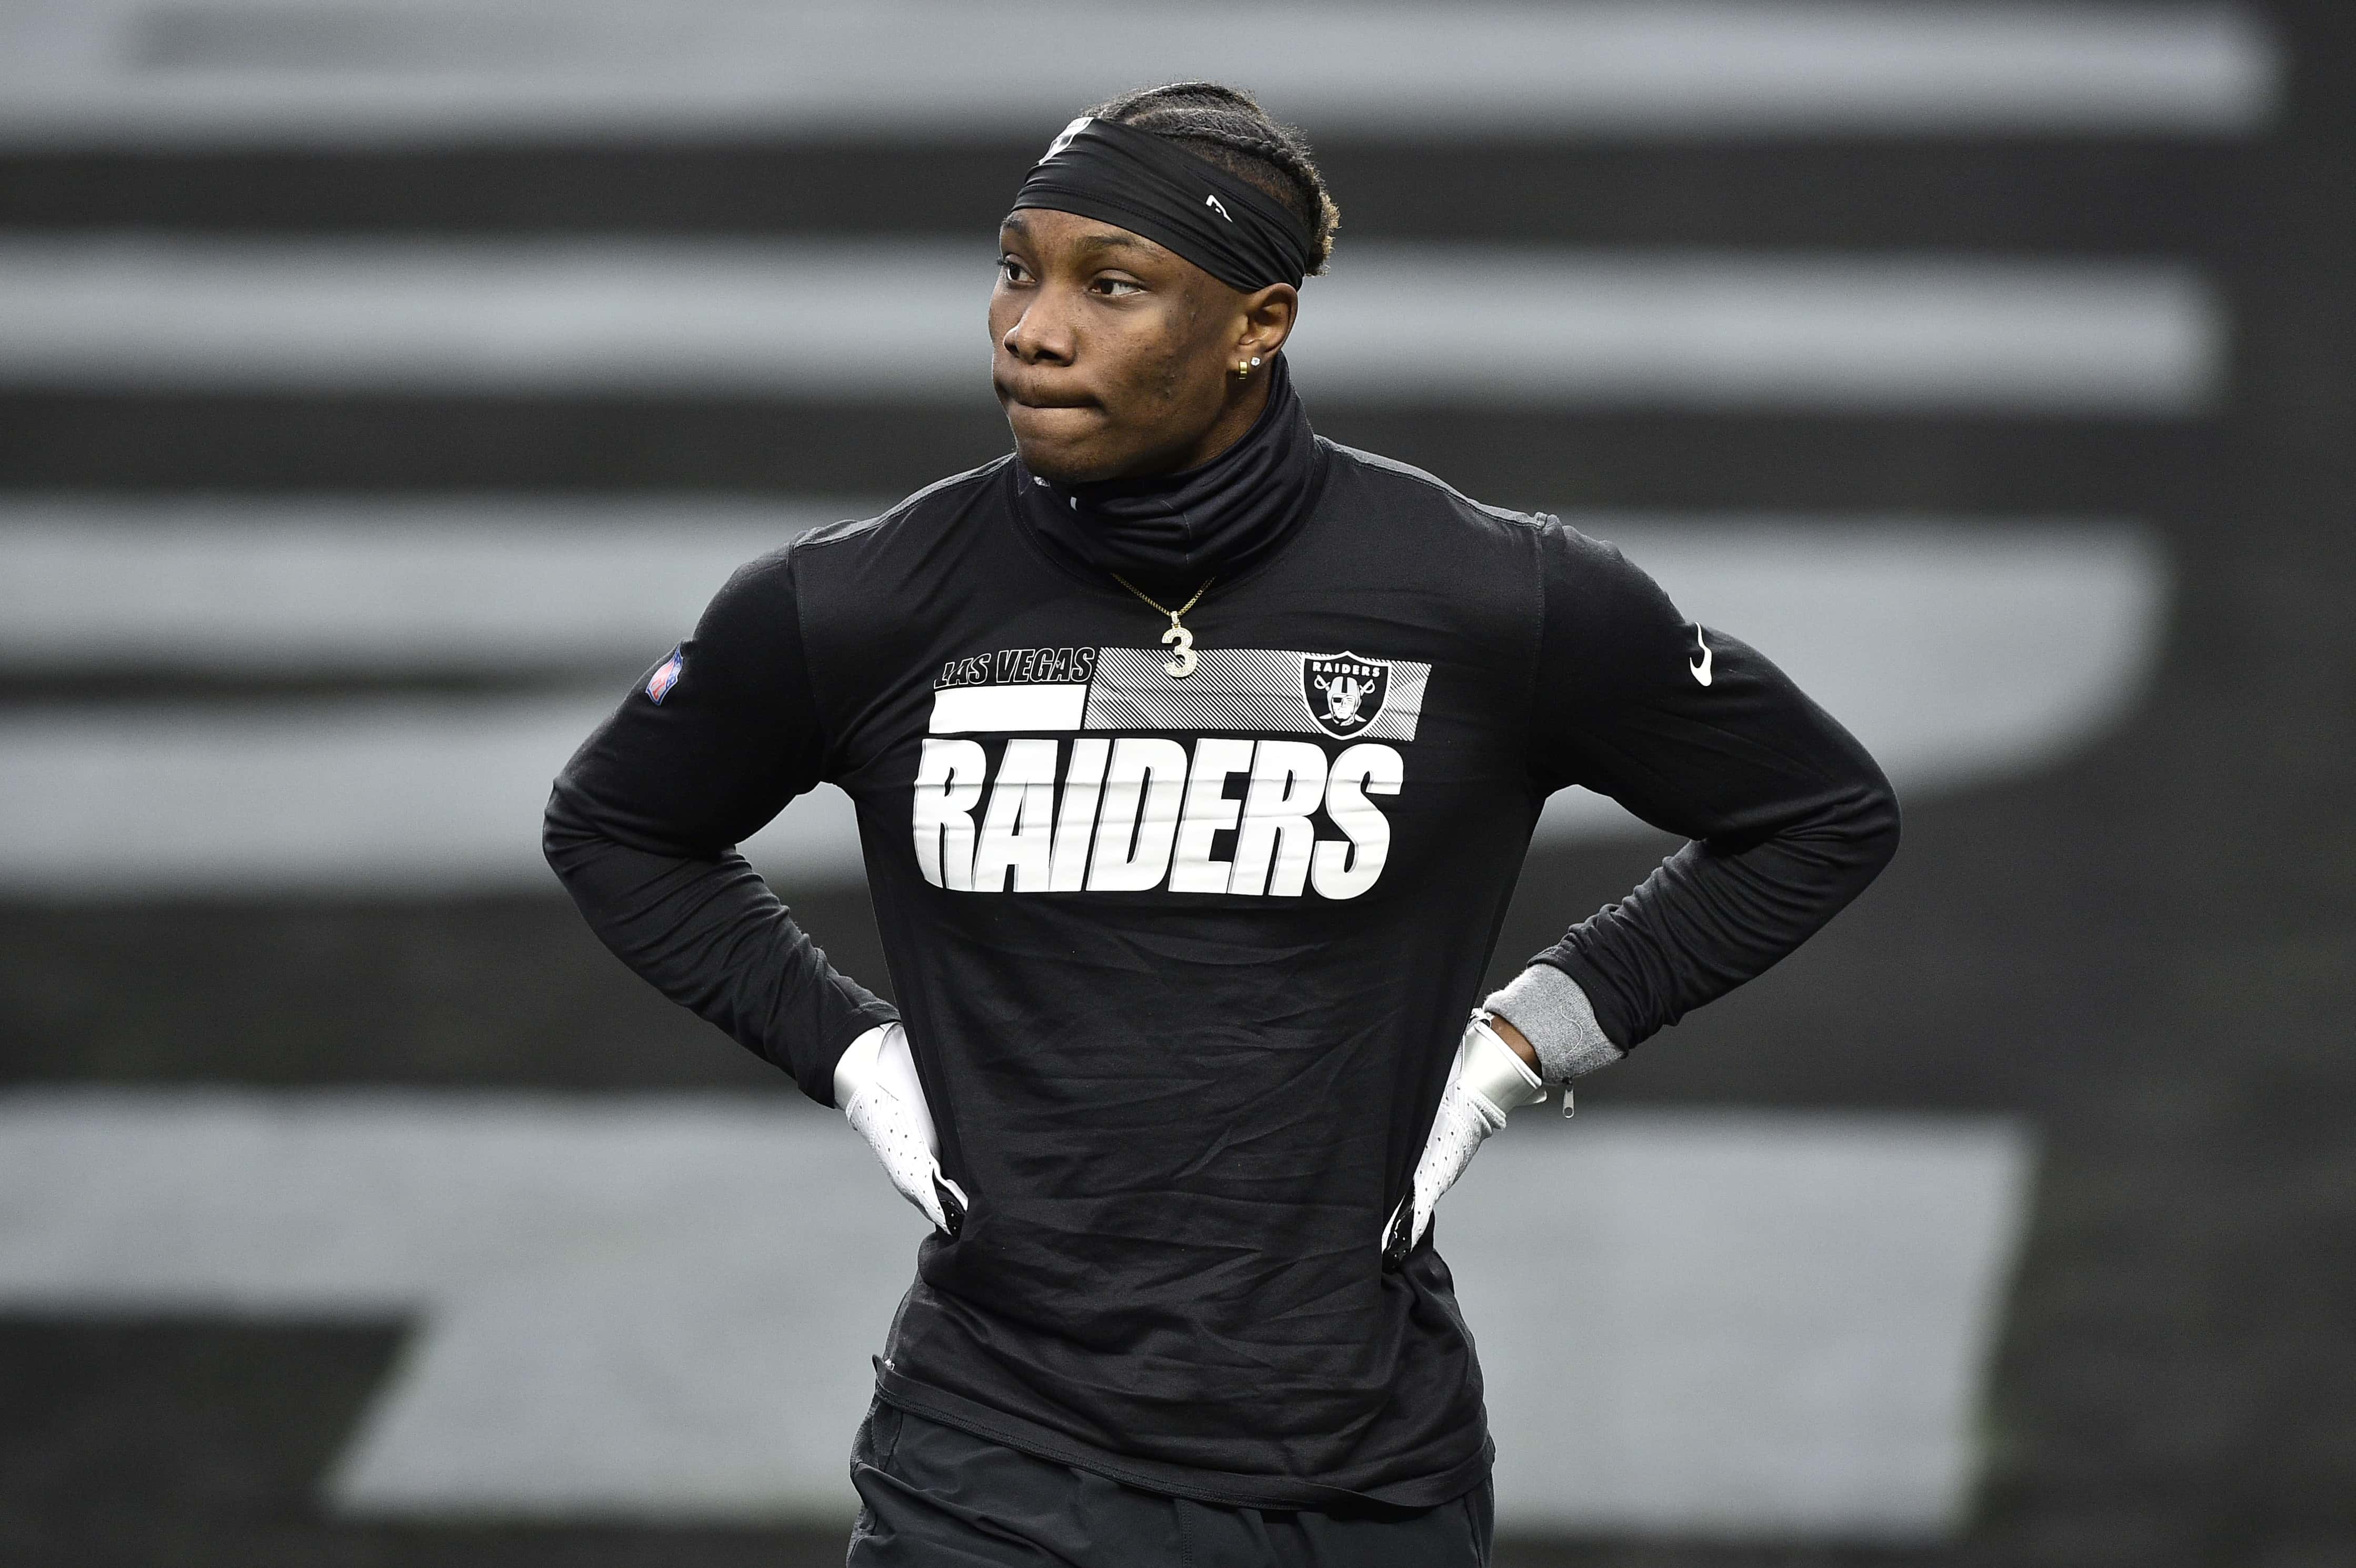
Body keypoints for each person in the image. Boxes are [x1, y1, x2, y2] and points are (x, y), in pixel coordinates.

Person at [544, 81, 1899, 1567]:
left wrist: (1528, 1040)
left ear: (1259, 323)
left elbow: (1815, 814)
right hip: (993, 1457)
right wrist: (853, 1053)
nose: (1031, 328)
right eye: (1015, 267)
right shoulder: (858, 604)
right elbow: (618, 823)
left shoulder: (1490, 599)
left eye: (1109, 286)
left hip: (1363, 1467)